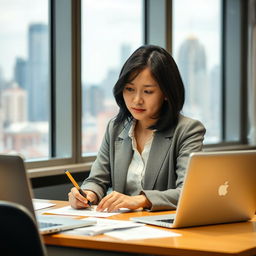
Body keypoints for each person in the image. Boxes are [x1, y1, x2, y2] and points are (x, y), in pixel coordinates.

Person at [68, 45, 206, 212]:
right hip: (120, 227)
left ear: (166, 93)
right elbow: (97, 180)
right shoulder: (116, 127)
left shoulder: (187, 130)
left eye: (147, 91)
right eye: (129, 89)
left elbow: (188, 192)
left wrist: (141, 200)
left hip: (164, 229)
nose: (136, 100)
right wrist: (87, 194)